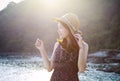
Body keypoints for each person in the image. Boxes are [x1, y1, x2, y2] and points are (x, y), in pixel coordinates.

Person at [35, 13, 89, 81]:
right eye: (58, 28)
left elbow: (81, 69)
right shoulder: (57, 44)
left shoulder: (84, 46)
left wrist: (81, 48)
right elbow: (49, 68)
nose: (58, 31)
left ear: (68, 28)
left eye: (60, 27)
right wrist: (41, 49)